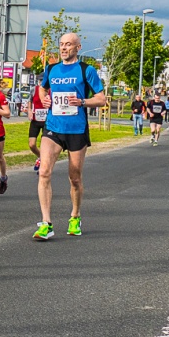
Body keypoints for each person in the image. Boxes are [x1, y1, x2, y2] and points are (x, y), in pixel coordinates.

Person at [32, 33, 107, 240]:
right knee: (44, 172)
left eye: (68, 45)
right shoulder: (51, 69)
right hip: (53, 128)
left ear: (78, 47)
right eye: (62, 45)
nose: (64, 48)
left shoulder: (86, 70)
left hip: (76, 129)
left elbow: (101, 99)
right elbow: (42, 89)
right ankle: (46, 223)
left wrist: (82, 102)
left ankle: (75, 215)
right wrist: (44, 100)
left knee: (74, 178)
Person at [28, 85, 47, 171]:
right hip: (35, 120)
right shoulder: (34, 89)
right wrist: (29, 110)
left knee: (44, 145)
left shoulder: (52, 90)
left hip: (47, 122)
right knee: (32, 144)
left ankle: (43, 166)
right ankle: (41, 157)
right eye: (40, 81)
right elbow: (29, 100)